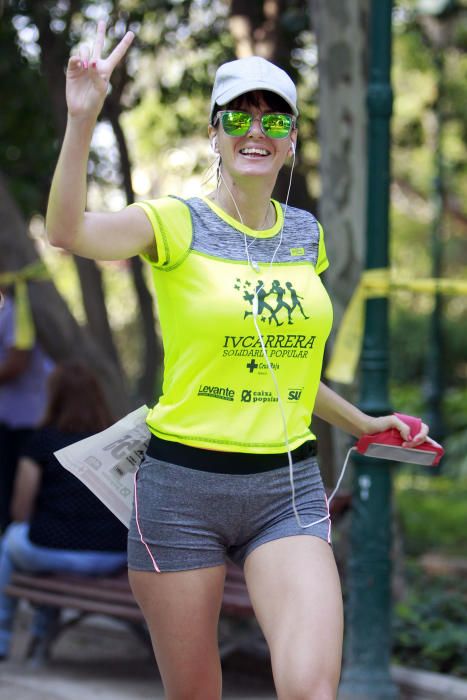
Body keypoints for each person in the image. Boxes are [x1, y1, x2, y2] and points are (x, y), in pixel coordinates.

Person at [45, 21, 430, 700]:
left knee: (311, 689)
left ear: (290, 139)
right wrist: (82, 120)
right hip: (180, 492)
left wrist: (363, 422)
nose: (256, 130)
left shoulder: (305, 234)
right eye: (238, 116)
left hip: (284, 488)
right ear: (214, 133)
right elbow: (67, 230)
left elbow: (288, 369)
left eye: (273, 117)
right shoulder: (174, 222)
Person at [0, 361, 128, 660]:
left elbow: (20, 510)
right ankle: (41, 636)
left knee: (10, 542)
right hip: (111, 555)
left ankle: (3, 638)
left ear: (54, 396)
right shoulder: (116, 443)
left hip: (50, 549)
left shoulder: (42, 441)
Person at [0, 286, 53, 533]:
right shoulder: (15, 307)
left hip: (24, 419)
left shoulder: (20, 309)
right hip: (17, 415)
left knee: (14, 491)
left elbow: (17, 361)